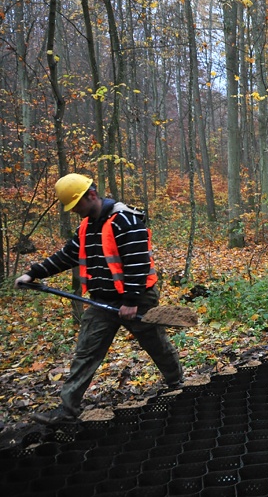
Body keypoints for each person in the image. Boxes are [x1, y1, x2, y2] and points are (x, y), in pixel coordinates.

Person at [14, 174, 183, 426]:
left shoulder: (126, 219)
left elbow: (138, 263)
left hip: (137, 298)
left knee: (155, 343)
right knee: (87, 351)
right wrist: (34, 273)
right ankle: (67, 410)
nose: (76, 212)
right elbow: (67, 255)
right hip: (101, 301)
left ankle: (178, 385)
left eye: (77, 205)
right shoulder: (86, 226)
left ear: (91, 195)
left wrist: (131, 301)